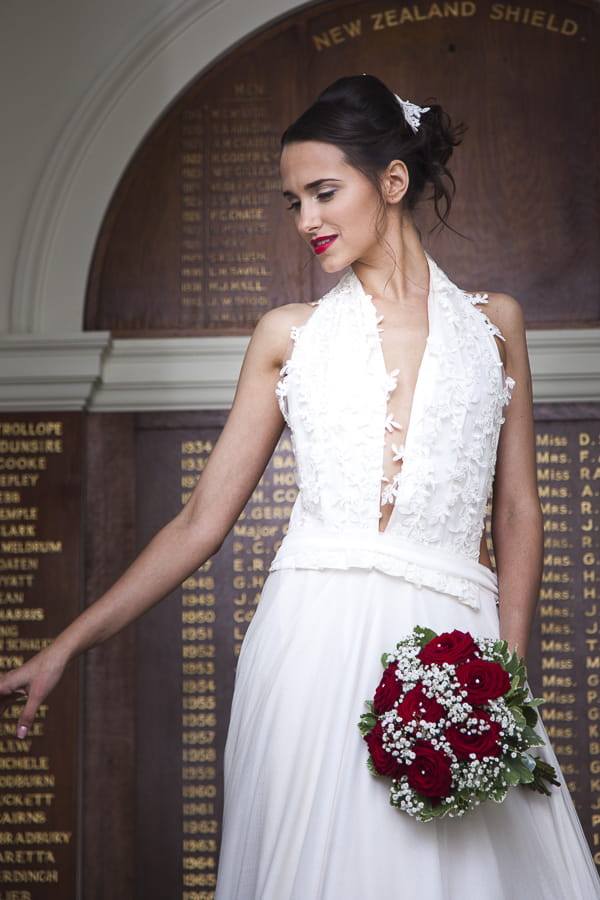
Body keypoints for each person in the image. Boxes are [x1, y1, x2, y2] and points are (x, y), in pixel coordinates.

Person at [0, 74, 598, 899]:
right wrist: (66, 645)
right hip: (313, 643)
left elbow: (518, 509)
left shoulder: (497, 326)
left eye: (323, 192)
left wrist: (508, 676)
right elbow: (199, 524)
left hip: (458, 643)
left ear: (392, 181)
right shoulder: (288, 336)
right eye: (294, 202)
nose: (307, 220)